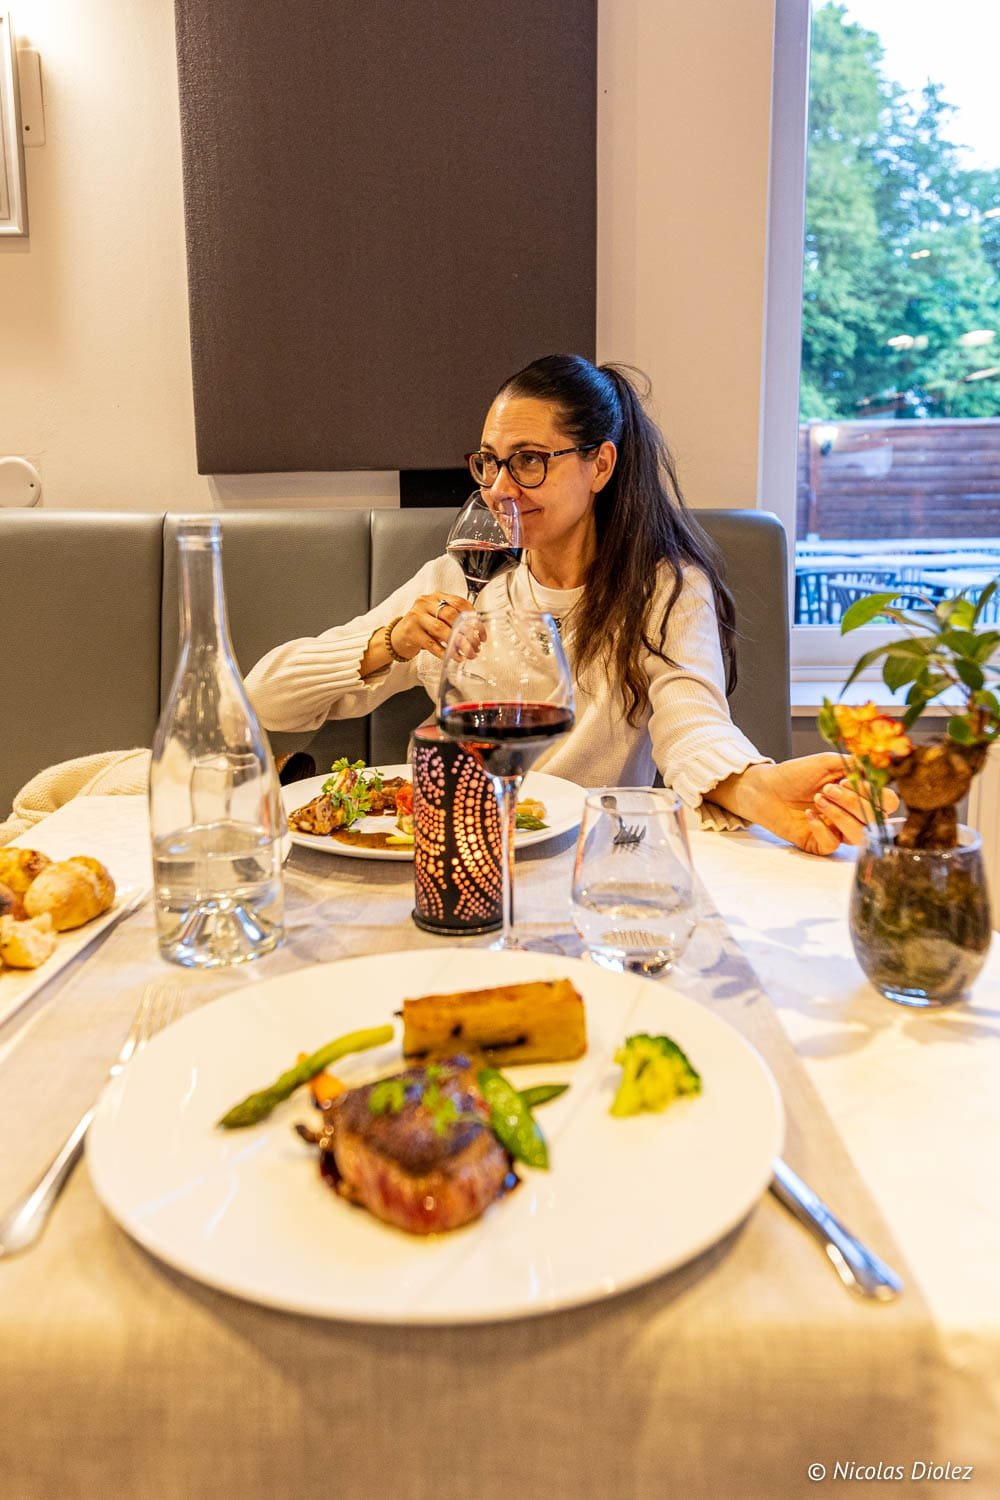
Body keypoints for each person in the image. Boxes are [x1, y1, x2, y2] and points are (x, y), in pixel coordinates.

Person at [246, 354, 888, 855]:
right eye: (490, 462)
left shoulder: (663, 588)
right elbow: (266, 700)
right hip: (461, 852)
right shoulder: (458, 583)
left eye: (529, 461)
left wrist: (754, 788)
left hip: (593, 857)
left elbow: (691, 721)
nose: (500, 488)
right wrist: (391, 642)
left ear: (600, 464)